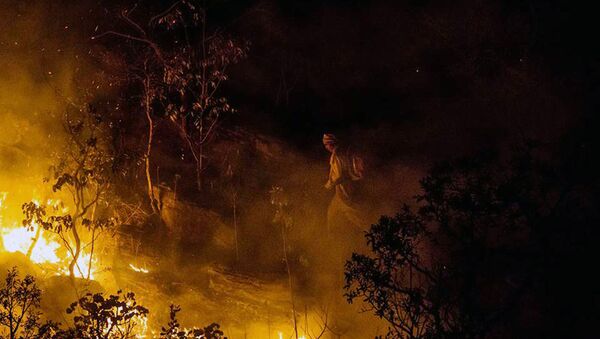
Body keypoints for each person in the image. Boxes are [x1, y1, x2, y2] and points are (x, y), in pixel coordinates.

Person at [322, 133, 364, 238]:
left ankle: (372, 233)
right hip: (343, 190)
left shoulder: (336, 155)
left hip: (344, 189)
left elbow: (337, 176)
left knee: (353, 214)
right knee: (332, 212)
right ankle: (332, 239)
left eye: (326, 145)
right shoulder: (345, 151)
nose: (326, 147)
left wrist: (327, 186)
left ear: (330, 144)